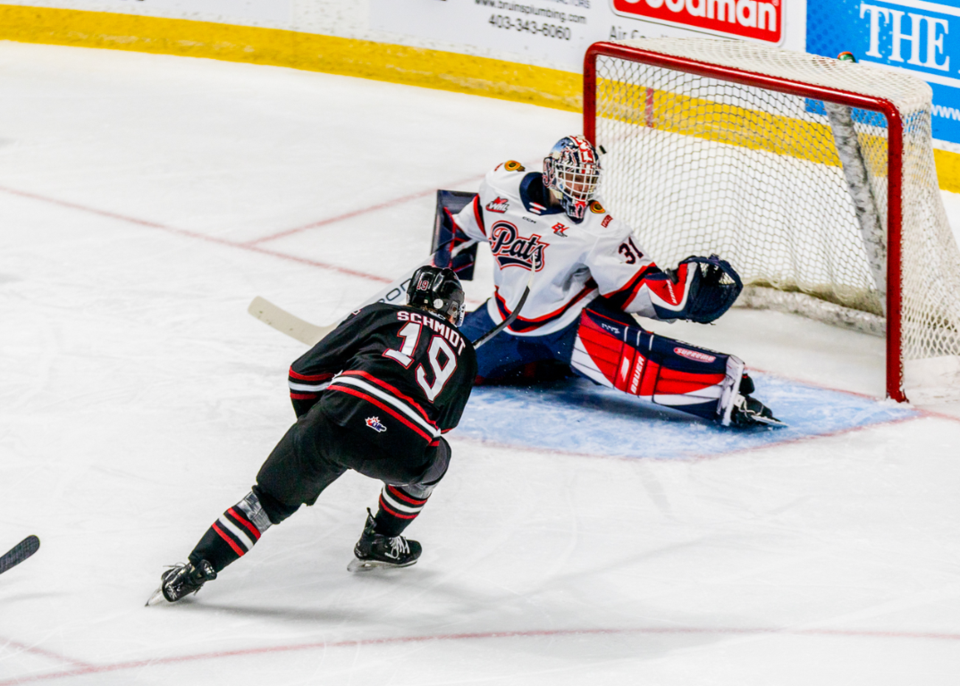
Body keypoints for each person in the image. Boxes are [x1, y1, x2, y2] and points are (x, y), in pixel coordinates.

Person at [148, 267, 477, 605]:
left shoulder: (380, 314)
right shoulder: (465, 352)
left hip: (334, 420)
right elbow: (441, 426)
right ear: (453, 308)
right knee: (439, 458)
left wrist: (314, 427)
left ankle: (195, 569)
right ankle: (381, 538)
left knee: (264, 503)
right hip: (400, 447)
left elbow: (302, 371)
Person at [440, 135, 780, 427]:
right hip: (504, 319)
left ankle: (725, 387)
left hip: (569, 320)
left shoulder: (598, 229)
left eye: (586, 180)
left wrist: (681, 298)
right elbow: (459, 222)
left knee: (636, 372)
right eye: (573, 178)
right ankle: (547, 363)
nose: (581, 189)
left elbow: (632, 285)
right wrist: (442, 276)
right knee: (449, 368)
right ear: (550, 173)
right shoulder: (501, 192)